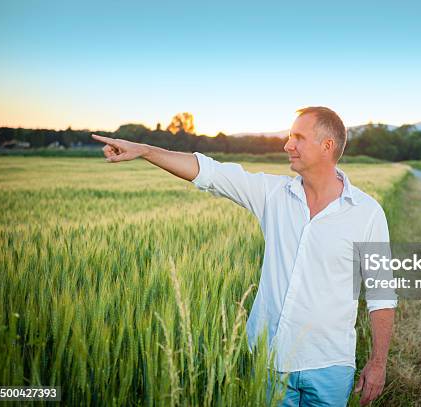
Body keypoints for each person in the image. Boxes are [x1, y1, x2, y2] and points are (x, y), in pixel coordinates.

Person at [91, 106, 397, 406]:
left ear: (327, 145)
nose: (287, 144)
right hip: (269, 361)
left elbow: (382, 294)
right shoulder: (273, 195)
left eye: (298, 137)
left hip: (330, 364)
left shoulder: (367, 213)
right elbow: (208, 172)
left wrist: (378, 363)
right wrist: (145, 150)